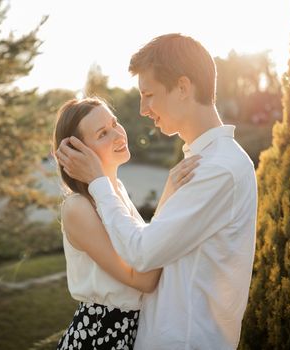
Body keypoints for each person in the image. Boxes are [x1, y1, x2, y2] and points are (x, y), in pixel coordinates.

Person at [56, 33, 258, 349]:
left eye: (148, 94)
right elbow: (154, 246)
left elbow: (143, 254)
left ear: (182, 87)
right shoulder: (203, 163)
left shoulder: (218, 169)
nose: (142, 109)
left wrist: (99, 182)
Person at [53, 97, 200, 350]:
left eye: (114, 123)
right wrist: (168, 201)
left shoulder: (116, 190)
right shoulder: (78, 207)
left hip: (129, 333)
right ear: (79, 152)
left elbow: (143, 247)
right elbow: (142, 278)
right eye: (102, 133)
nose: (118, 135)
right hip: (98, 337)